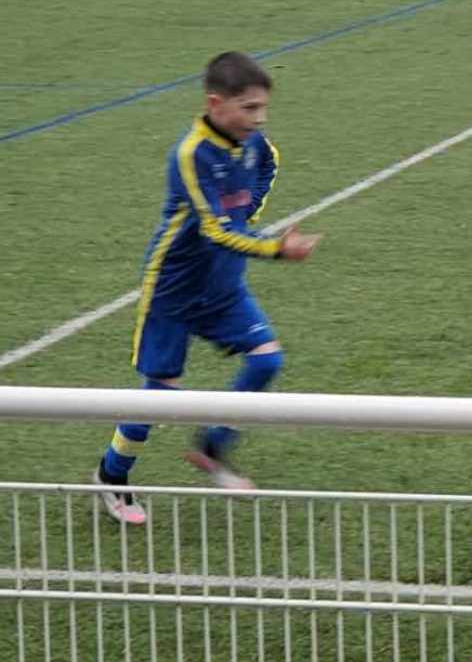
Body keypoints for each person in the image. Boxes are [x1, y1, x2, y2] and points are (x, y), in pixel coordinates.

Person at [93, 51, 321, 524]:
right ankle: (111, 475)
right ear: (215, 104)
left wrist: (249, 215)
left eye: (263, 107)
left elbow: (267, 169)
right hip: (174, 289)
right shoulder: (192, 154)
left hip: (223, 285)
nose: (260, 118)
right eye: (249, 108)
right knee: (159, 393)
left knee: (267, 360)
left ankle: (212, 447)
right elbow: (215, 231)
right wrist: (275, 248)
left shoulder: (257, 146)